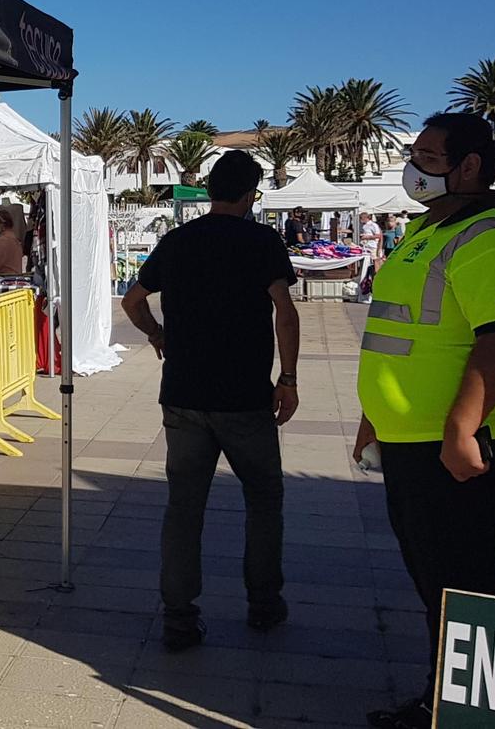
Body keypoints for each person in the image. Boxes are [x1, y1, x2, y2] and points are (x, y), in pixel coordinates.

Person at [356, 114, 495, 729]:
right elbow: (396, 334)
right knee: (433, 578)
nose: (416, 166)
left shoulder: (491, 238)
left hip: (463, 441)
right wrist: (373, 416)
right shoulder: (426, 232)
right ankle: (446, 700)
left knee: (459, 581)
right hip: (410, 438)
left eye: (431, 156)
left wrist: (461, 431)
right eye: (416, 153)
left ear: (470, 167)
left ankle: (466, 710)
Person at [120, 152, 299, 652]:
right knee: (264, 498)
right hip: (244, 396)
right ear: (250, 193)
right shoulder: (262, 241)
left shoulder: (177, 241)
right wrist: (287, 378)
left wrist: (158, 335)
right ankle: (264, 603)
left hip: (183, 395)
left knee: (184, 508)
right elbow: (285, 312)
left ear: (210, 190)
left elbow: (132, 300)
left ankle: (179, 617)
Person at [0, 208, 26, 276]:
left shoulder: (3, 240)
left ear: (2, 224)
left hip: (6, 279)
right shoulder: (13, 238)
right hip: (16, 276)